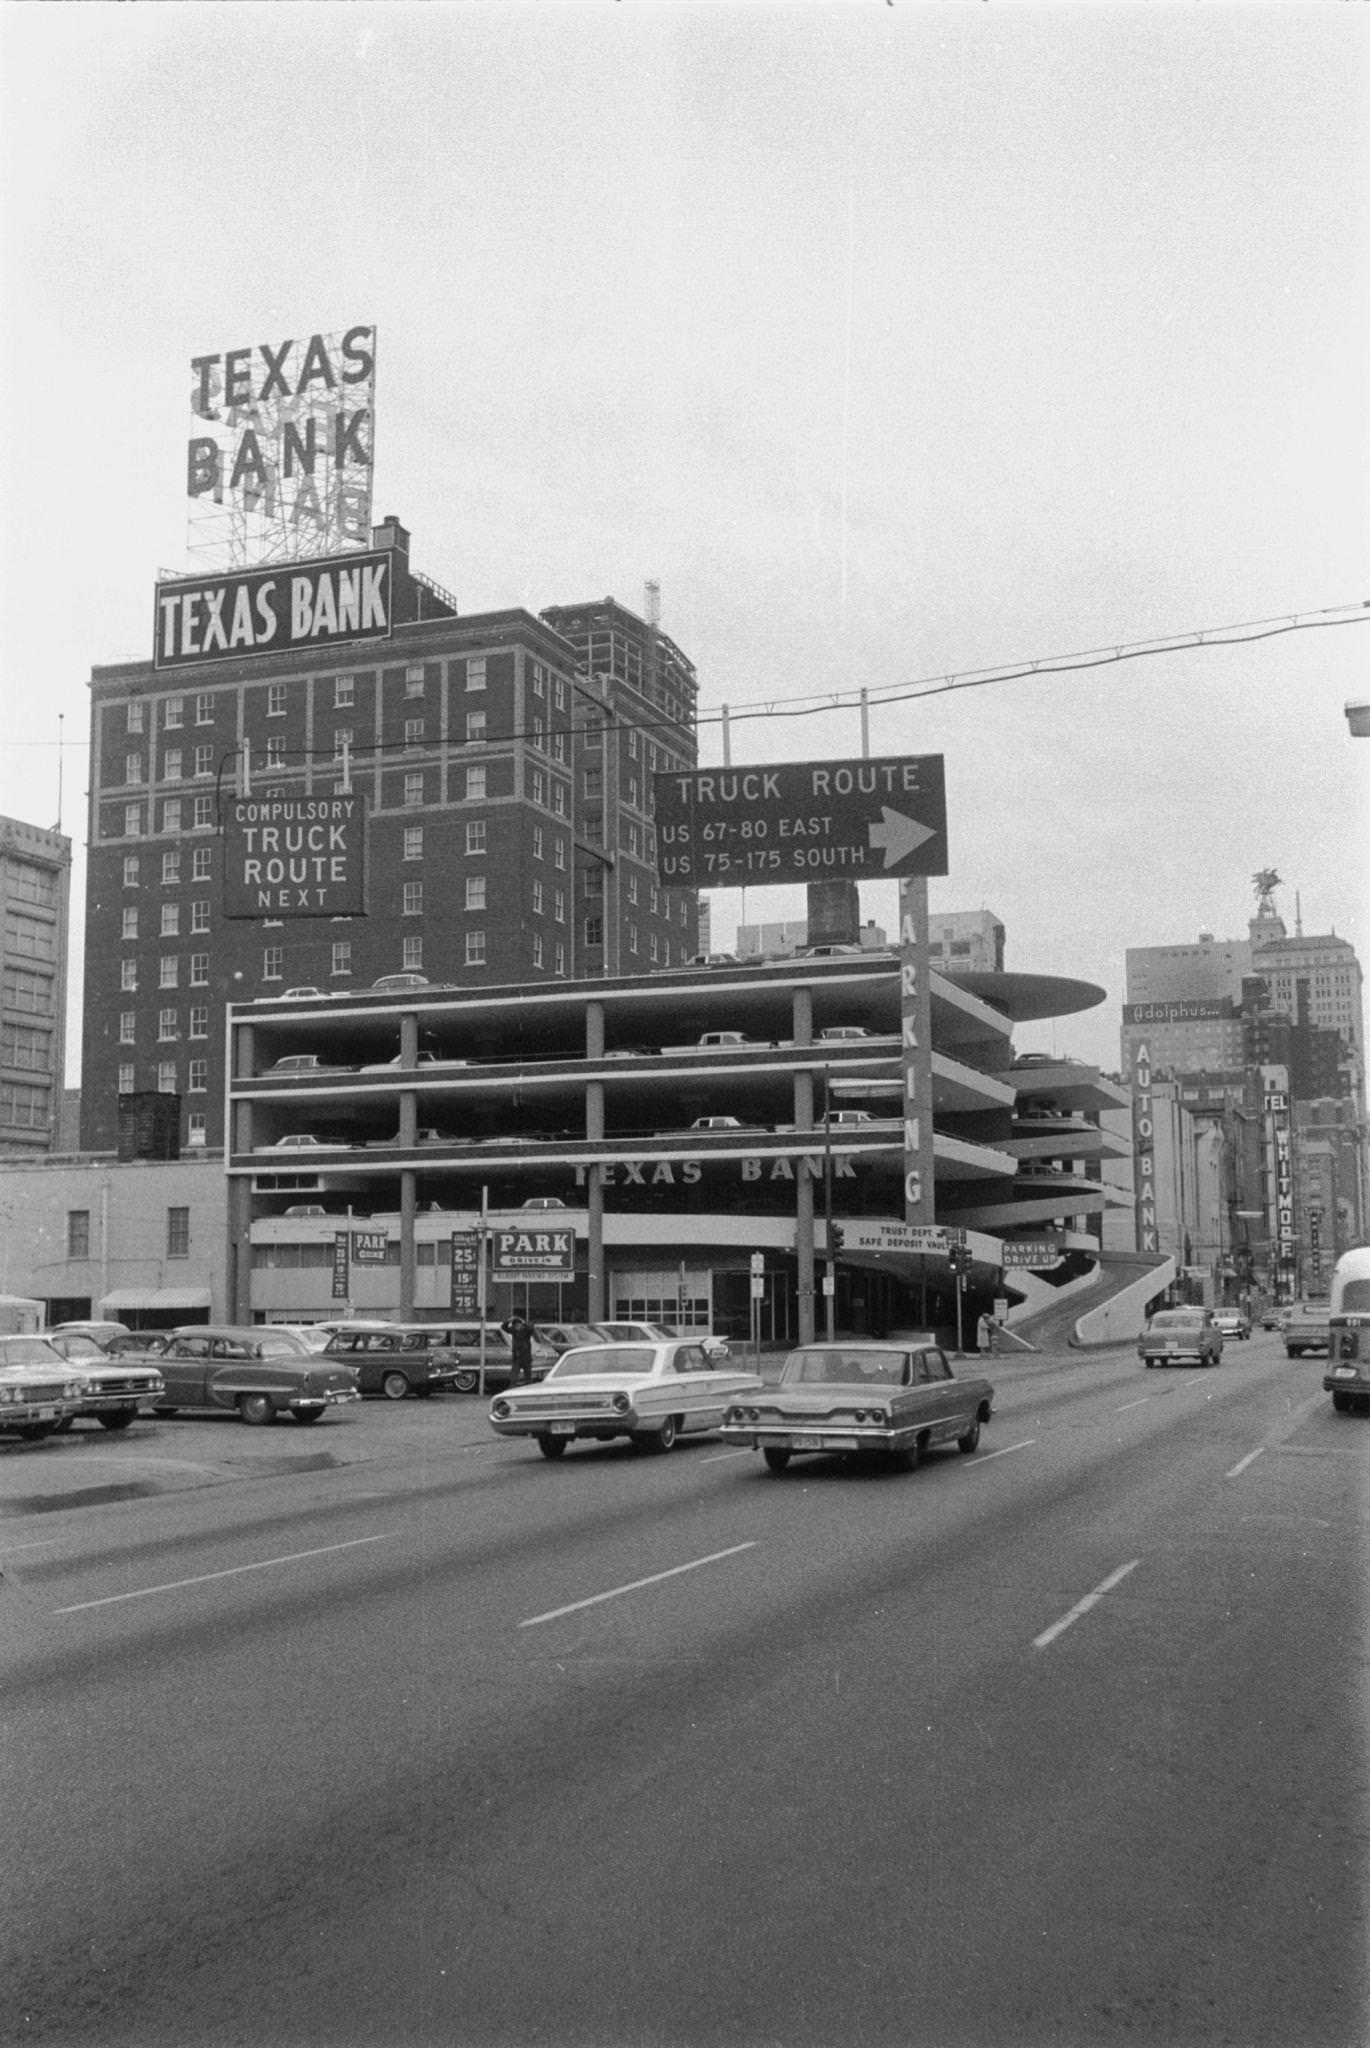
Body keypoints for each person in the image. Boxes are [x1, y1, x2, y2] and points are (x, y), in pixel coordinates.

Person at [501, 1311, 535, 1385]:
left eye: (518, 1325)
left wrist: (523, 1321)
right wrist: (509, 1320)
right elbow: (503, 1327)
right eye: (515, 1325)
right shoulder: (513, 1331)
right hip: (517, 1357)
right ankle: (512, 1387)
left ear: (521, 1325)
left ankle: (528, 1388)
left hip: (526, 1357)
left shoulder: (526, 1331)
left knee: (528, 1376)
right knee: (514, 1375)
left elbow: (531, 1328)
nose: (517, 1327)